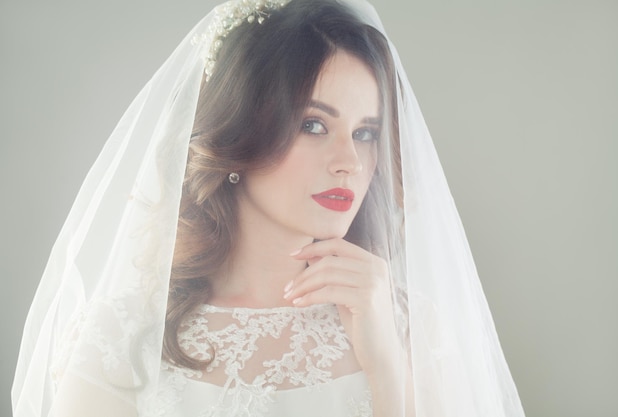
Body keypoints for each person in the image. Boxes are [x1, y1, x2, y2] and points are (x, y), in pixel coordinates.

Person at [12, 0, 526, 416]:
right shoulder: (122, 335)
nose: (349, 161)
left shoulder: (414, 328)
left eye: (366, 133)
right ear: (241, 133)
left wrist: (387, 367)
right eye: (314, 125)